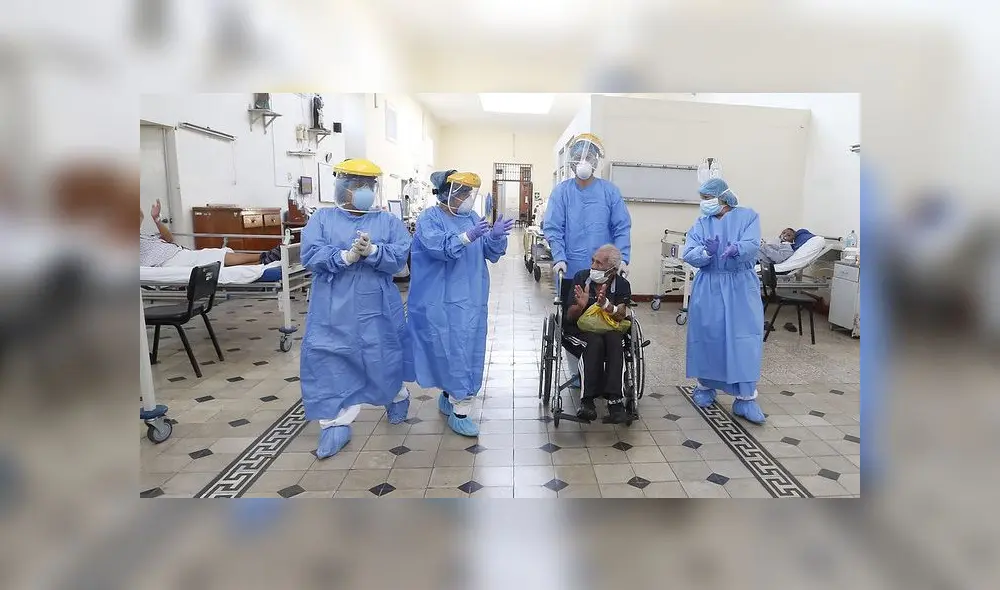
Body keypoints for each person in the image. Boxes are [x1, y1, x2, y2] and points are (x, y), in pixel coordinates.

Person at [299, 158, 413, 458]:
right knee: (330, 359)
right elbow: (310, 253)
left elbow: (401, 256)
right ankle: (335, 424)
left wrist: (374, 251)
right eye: (358, 185)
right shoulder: (322, 219)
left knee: (382, 356)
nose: (364, 191)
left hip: (376, 305)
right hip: (332, 308)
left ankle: (396, 396)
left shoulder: (387, 222)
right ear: (342, 186)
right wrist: (345, 257)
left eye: (369, 185)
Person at [407, 170, 514, 437]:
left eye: (469, 193)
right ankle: (455, 402)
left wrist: (496, 236)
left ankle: (459, 405)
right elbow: (438, 248)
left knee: (465, 349)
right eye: (461, 192)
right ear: (446, 192)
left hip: (470, 299)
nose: (466, 198)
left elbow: (489, 252)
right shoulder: (430, 218)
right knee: (446, 348)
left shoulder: (472, 218)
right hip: (438, 300)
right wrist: (467, 237)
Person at [682, 178, 766, 424]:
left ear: (723, 197)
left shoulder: (748, 217)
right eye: (703, 198)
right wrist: (707, 252)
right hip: (709, 285)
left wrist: (737, 249)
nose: (704, 203)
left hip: (740, 285)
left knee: (743, 339)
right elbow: (689, 252)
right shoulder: (701, 223)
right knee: (709, 336)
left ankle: (746, 399)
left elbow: (752, 244)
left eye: (708, 197)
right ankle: (705, 387)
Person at [543, 133, 632, 295]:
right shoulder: (562, 192)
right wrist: (559, 257)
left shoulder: (609, 192)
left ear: (595, 161)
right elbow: (553, 229)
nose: (583, 162)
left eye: (588, 157)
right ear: (571, 163)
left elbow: (622, 227)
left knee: (603, 314)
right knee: (570, 314)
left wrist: (623, 258)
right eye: (578, 157)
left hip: (605, 270)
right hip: (570, 269)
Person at [561, 244, 632, 423]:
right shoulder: (581, 278)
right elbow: (569, 317)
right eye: (593, 261)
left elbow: (622, 314)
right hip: (580, 331)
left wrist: (607, 306)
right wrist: (580, 306)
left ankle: (615, 401)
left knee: (615, 341)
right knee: (595, 342)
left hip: (611, 330)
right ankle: (587, 401)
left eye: (599, 264)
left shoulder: (622, 285)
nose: (593, 266)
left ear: (612, 270)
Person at [140, 200, 282, 267]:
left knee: (214, 256)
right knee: (214, 257)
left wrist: (156, 219)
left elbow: (169, 238)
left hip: (178, 253)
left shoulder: (144, 235)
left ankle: (263, 260)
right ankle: (263, 257)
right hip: (169, 262)